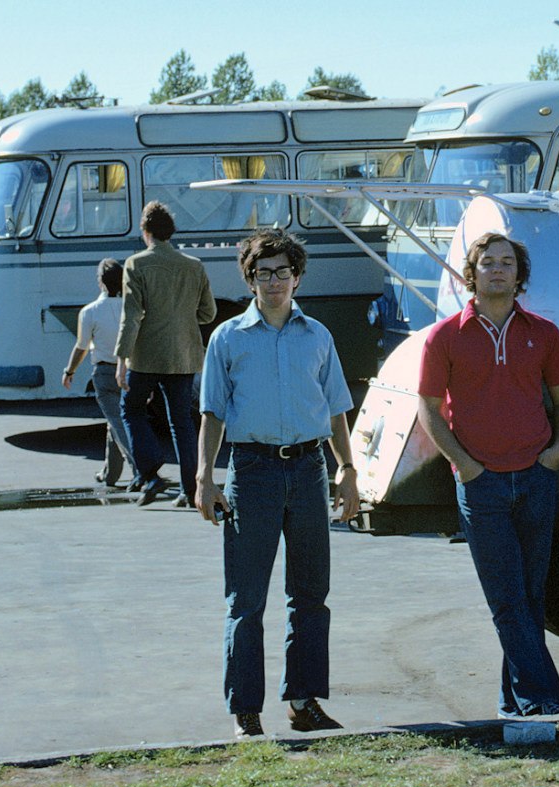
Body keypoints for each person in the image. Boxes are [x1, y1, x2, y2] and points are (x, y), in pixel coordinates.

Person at [196, 229, 360, 738]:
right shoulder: (228, 338)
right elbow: (211, 413)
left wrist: (348, 471)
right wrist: (205, 476)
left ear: (297, 277)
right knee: (246, 598)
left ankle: (304, 703)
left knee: (310, 593)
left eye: (282, 272)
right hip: (253, 473)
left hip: (309, 471)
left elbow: (336, 411)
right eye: (262, 273)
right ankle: (246, 710)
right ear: (250, 279)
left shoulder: (317, 335)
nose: (273, 282)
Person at [417, 232, 559, 719]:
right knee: (507, 598)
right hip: (480, 484)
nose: (498, 270)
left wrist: (557, 453)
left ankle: (516, 699)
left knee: (529, 596)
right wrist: (465, 466)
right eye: (487, 262)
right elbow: (426, 408)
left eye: (507, 263)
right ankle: (544, 700)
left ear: (519, 275)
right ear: (472, 274)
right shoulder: (445, 335)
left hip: (535, 477)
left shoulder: (544, 333)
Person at [115, 201, 216, 508]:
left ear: (146, 232)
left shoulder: (135, 264)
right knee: (182, 422)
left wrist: (121, 359)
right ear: (170, 232)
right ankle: (189, 490)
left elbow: (131, 315)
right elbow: (208, 313)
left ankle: (150, 472)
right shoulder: (193, 265)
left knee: (131, 409)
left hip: (146, 356)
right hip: (183, 355)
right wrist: (181, 319)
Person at [61, 258, 137, 489]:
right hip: (131, 371)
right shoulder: (132, 309)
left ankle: (141, 470)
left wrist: (69, 370)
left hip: (104, 374)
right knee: (114, 422)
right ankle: (109, 473)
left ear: (101, 283)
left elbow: (82, 346)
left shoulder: (89, 312)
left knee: (118, 422)